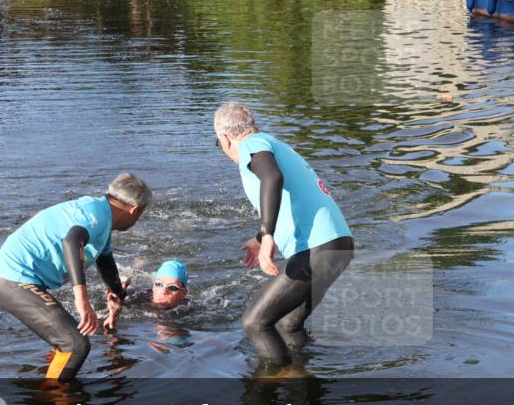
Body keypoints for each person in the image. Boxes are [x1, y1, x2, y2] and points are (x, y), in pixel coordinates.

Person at [213, 102, 354, 366]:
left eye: (218, 144)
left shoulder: (251, 145)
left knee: (255, 323)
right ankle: (304, 392)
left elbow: (272, 179)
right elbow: (289, 196)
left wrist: (267, 237)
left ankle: (274, 384)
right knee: (288, 324)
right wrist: (259, 237)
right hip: (338, 245)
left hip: (318, 248)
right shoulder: (273, 144)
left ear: (225, 138)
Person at [0, 173, 152, 381]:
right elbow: (72, 242)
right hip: (10, 278)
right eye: (140, 215)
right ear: (135, 210)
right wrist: (82, 300)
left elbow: (105, 259)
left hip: (9, 278)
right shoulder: (95, 215)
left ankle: (48, 381)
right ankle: (54, 404)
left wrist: (118, 294)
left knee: (66, 340)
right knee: (76, 344)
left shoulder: (102, 215)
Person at [104, 259, 189, 330]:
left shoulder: (189, 311)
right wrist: (115, 311)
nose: (163, 291)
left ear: (184, 293)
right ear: (153, 287)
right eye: (159, 284)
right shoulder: (134, 298)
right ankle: (139, 263)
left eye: (172, 287)